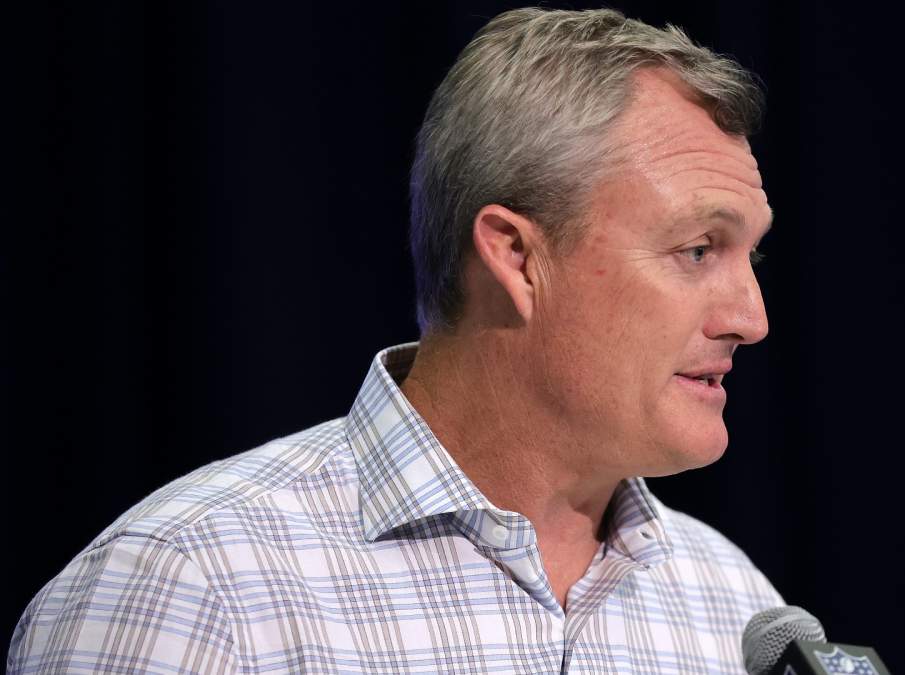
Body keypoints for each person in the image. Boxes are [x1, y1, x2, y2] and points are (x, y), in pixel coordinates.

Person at [10, 7, 780, 673]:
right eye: (698, 250)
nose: (751, 318)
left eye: (753, 256)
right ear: (518, 257)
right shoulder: (189, 588)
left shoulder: (734, 605)